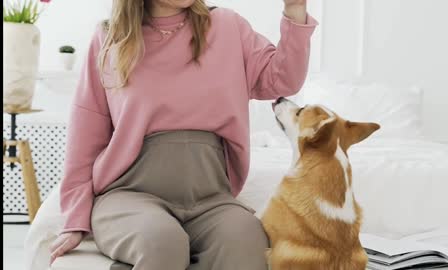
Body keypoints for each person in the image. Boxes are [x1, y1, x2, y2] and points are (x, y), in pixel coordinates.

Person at [49, 0, 318, 269]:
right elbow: (85, 137)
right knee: (162, 242)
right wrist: (75, 220)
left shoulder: (228, 26)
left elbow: (282, 80)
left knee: (247, 241)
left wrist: (295, 10)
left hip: (211, 199)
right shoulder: (110, 38)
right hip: (129, 194)